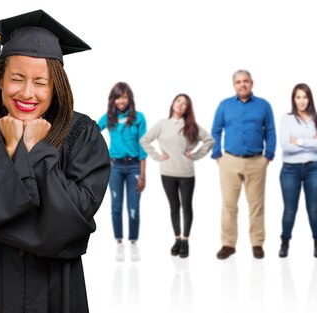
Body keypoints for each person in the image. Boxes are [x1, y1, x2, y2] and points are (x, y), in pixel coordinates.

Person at [0, 10, 110, 312]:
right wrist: (12, 147)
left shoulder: (82, 134)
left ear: (56, 87)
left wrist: (33, 150)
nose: (27, 92)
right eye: (16, 78)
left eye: (41, 82)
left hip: (57, 290)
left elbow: (74, 221)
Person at [211, 69, 276, 260]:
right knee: (229, 205)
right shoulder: (224, 105)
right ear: (234, 85)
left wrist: (268, 157)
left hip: (257, 161)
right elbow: (215, 131)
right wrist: (218, 156)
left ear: (252, 83)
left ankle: (257, 243)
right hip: (229, 161)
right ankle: (228, 244)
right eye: (238, 82)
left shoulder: (264, 106)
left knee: (256, 205)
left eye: (245, 81)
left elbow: (270, 132)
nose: (242, 85)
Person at [140, 93, 214, 258]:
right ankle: (177, 239)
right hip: (167, 172)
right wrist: (158, 157)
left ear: (188, 109)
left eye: (185, 103)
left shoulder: (191, 125)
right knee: (174, 207)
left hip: (186, 173)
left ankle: (186, 240)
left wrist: (194, 155)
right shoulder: (162, 124)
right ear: (173, 103)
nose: (181, 105)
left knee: (186, 207)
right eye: (179, 101)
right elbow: (144, 140)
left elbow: (209, 140)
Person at [98, 82, 147, 262]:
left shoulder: (139, 118)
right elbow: (94, 131)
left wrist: (143, 175)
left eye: (125, 97)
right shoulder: (108, 118)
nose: (121, 101)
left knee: (133, 207)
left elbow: (143, 147)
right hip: (115, 167)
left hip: (134, 166)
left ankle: (133, 243)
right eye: (118, 97)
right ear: (113, 99)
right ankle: (119, 243)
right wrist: (102, 155)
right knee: (116, 206)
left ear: (130, 99)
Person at [278, 83, 317, 258]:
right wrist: (310, 142)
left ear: (310, 99)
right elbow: (285, 145)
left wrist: (297, 141)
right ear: (293, 99)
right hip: (290, 170)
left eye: (304, 97)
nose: (301, 101)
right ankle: (284, 242)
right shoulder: (287, 119)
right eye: (298, 97)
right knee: (289, 210)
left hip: (314, 169)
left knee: (313, 209)